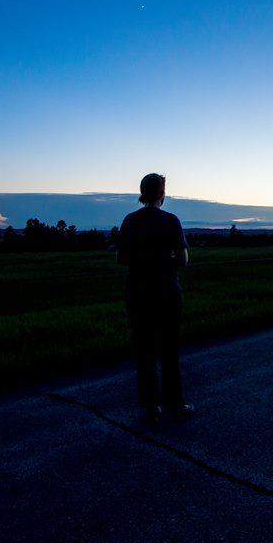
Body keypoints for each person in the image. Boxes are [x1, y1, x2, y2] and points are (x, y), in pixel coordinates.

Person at [117, 173, 193, 424]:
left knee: (145, 351)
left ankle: (152, 407)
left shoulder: (129, 221)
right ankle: (176, 404)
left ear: (142, 193)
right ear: (162, 194)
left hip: (138, 293)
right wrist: (164, 261)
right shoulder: (171, 221)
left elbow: (122, 258)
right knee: (169, 350)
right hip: (167, 292)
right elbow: (182, 260)